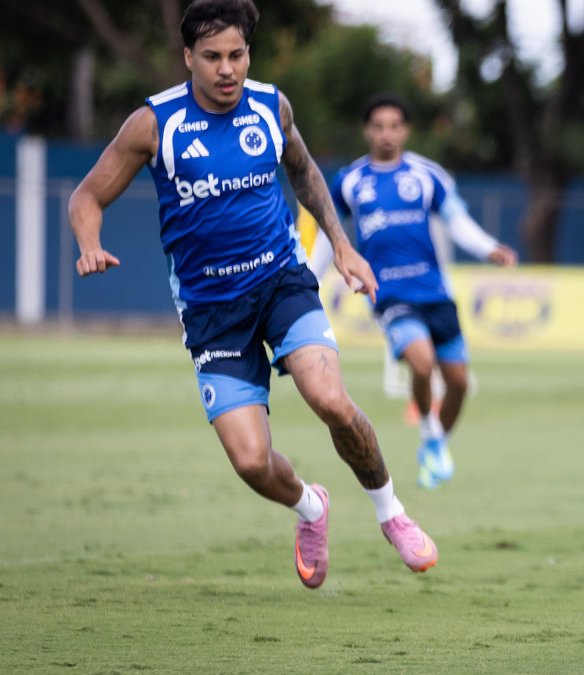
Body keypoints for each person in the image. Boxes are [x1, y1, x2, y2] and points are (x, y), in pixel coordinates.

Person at [67, 0, 438, 590]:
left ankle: (391, 513)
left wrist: (342, 245)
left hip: (281, 281)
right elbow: (85, 196)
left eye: (236, 55)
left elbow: (305, 171)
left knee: (332, 401)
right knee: (249, 461)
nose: (226, 69)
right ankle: (311, 507)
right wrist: (90, 241)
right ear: (188, 57)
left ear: (249, 55)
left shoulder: (271, 106)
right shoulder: (154, 124)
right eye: (211, 57)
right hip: (212, 311)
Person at [330, 94, 518, 490]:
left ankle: (434, 444)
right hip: (389, 294)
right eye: (378, 126)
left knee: (460, 384)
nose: (386, 134)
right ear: (367, 131)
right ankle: (430, 430)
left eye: (394, 126)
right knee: (420, 362)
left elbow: (457, 221)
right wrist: (306, 279)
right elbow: (327, 239)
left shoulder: (426, 175)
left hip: (435, 292)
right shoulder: (349, 181)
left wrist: (489, 248)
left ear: (405, 130)